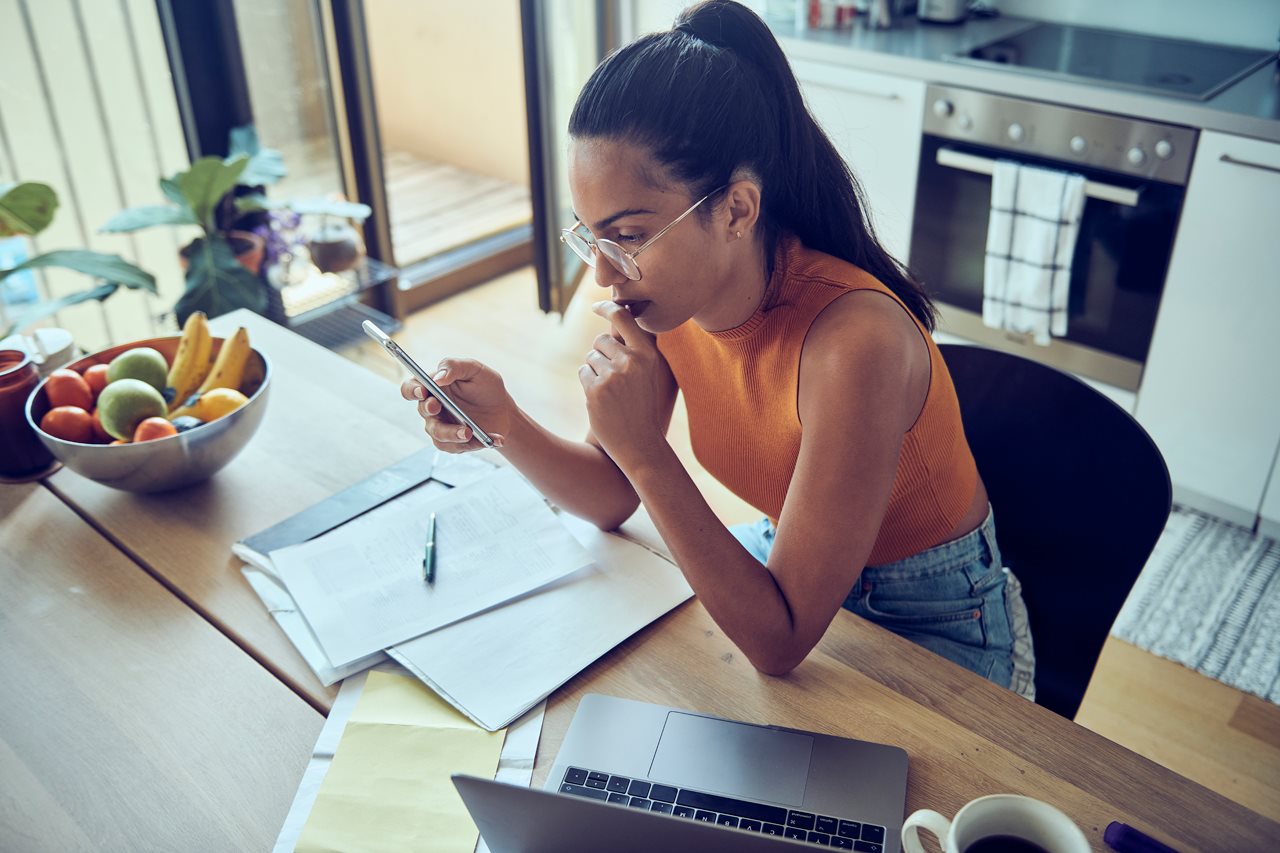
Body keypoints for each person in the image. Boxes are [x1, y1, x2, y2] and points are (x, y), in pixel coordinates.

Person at [400, 0, 1035, 698]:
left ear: (736, 209)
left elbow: (780, 639)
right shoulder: (660, 303)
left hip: (934, 613)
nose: (603, 273)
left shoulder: (855, 344)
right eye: (590, 236)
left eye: (630, 235)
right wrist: (505, 422)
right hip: (786, 570)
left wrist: (645, 449)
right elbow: (612, 494)